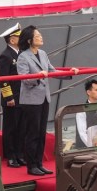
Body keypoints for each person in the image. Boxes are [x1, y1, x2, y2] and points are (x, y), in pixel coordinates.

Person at [17, 25, 78, 176]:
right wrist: (38, 76)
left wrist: (69, 73)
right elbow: (24, 78)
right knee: (32, 133)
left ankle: (39, 163)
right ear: (30, 40)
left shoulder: (43, 53)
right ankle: (31, 165)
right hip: (30, 100)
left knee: (41, 132)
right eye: (37, 36)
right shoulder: (23, 57)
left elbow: (51, 71)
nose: (41, 37)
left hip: (44, 97)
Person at [0, 23, 25, 168]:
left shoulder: (22, 54)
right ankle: (11, 156)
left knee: (21, 127)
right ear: (12, 40)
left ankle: (20, 154)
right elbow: (3, 79)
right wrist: (9, 98)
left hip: (23, 96)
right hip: (12, 98)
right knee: (10, 128)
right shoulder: (5, 56)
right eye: (19, 37)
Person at [75, 79, 97, 148]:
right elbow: (82, 133)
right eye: (96, 90)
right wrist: (92, 147)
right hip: (85, 149)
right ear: (88, 92)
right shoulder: (81, 111)